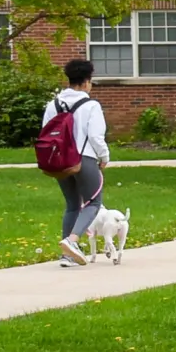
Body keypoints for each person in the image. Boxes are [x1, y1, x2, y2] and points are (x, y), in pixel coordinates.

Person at [42, 59, 109, 267]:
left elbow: (45, 132)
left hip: (60, 161)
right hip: (84, 158)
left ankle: (67, 255)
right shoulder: (91, 105)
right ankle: (72, 241)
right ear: (87, 81)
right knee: (93, 203)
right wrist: (104, 157)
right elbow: (96, 136)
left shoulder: (53, 104)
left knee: (72, 205)